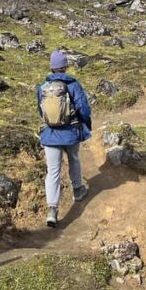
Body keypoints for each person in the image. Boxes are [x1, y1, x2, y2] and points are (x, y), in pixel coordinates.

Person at [37, 50, 92, 228]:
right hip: (71, 133)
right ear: (65, 66)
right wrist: (86, 124)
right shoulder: (73, 84)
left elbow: (41, 111)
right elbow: (83, 107)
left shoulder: (43, 87)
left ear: (52, 67)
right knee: (74, 159)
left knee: (53, 171)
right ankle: (78, 190)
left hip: (50, 134)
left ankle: (52, 210)